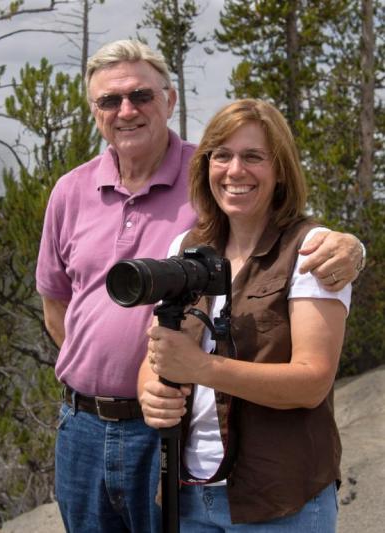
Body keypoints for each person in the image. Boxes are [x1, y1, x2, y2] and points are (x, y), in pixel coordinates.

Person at [35, 38, 363, 533]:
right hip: (83, 425)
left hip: (171, 437)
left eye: (141, 95)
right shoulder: (72, 190)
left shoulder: (206, 182)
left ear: (170, 99)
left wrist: (353, 247)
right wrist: (140, 381)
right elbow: (56, 302)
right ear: (94, 110)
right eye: (109, 100)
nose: (126, 110)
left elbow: (290, 231)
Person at [139, 98, 353, 532]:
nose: (235, 171)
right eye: (222, 155)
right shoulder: (186, 247)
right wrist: (150, 392)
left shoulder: (312, 248)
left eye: (253, 156)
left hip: (280, 499)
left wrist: (202, 367)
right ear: (206, 166)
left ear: (280, 171)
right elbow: (158, 350)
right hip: (190, 492)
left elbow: (312, 381)